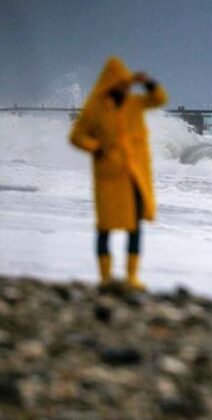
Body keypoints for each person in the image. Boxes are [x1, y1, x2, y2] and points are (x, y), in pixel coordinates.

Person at [69, 57, 167, 291]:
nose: (125, 87)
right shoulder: (95, 108)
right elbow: (77, 136)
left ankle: (131, 277)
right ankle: (105, 278)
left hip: (134, 174)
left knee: (134, 226)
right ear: (110, 84)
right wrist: (96, 147)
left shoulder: (134, 103)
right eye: (121, 83)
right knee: (105, 227)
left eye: (126, 83)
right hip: (108, 175)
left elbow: (159, 99)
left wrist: (149, 83)